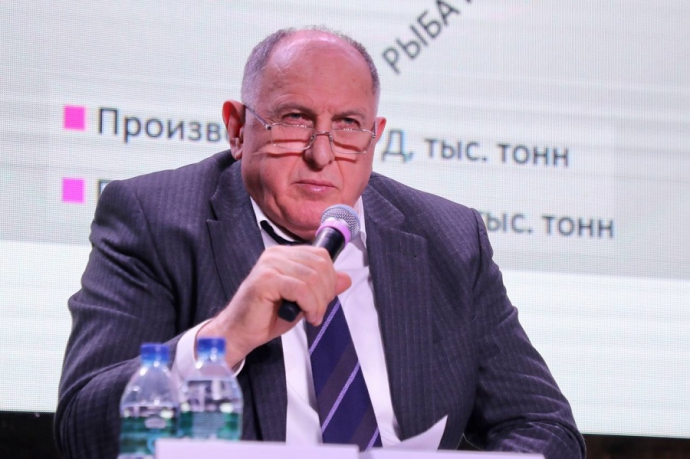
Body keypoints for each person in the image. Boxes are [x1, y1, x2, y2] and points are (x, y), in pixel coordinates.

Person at [55, 27, 586, 459]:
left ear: (375, 136)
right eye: (294, 119)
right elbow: (82, 431)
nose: (321, 154)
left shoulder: (449, 239)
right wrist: (225, 337)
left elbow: (544, 425)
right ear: (237, 129)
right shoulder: (155, 219)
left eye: (348, 125)